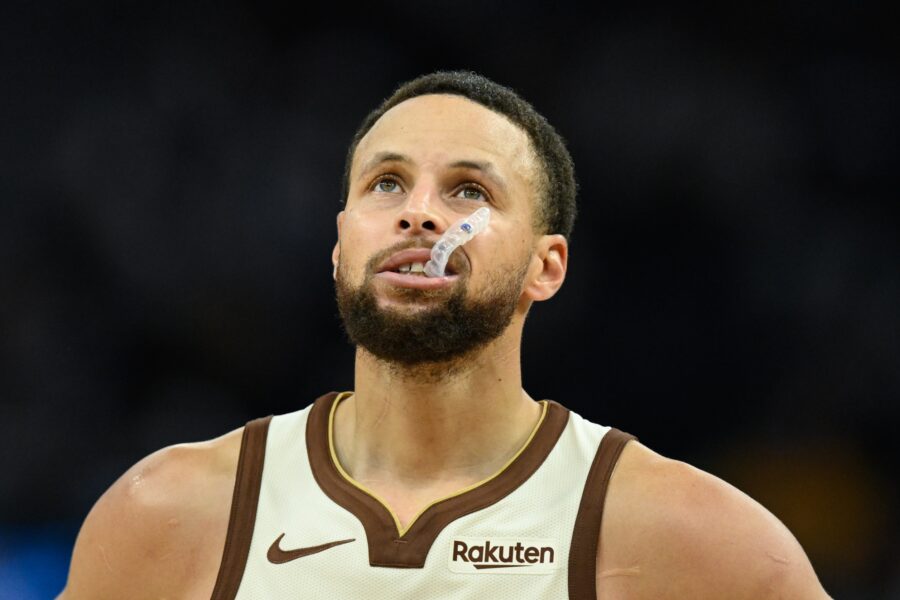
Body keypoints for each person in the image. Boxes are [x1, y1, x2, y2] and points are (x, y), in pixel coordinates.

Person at [58, 71, 831, 599]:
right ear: (339, 246)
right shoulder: (173, 514)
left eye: (469, 189)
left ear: (546, 266)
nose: (419, 214)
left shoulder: (681, 535)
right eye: (386, 182)